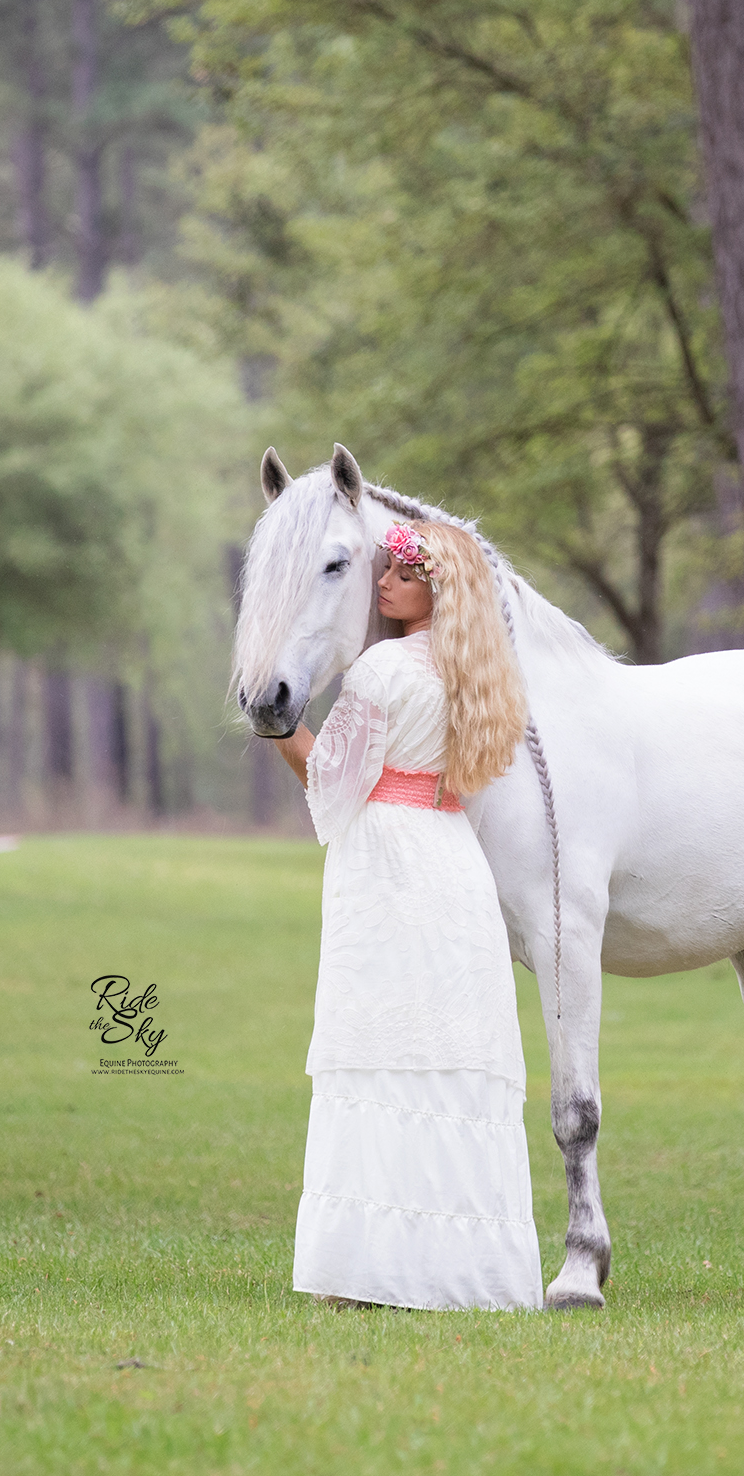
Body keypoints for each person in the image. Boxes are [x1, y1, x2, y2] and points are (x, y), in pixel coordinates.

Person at [270, 519, 543, 1311]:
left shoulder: (381, 669)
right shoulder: (482, 680)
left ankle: (366, 1272)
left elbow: (332, 784)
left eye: (405, 574)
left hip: (387, 860)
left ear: (438, 590)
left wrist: (279, 731)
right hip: (452, 858)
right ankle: (463, 1271)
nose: (385, 582)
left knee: (378, 1049)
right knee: (451, 1059)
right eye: (385, 569)